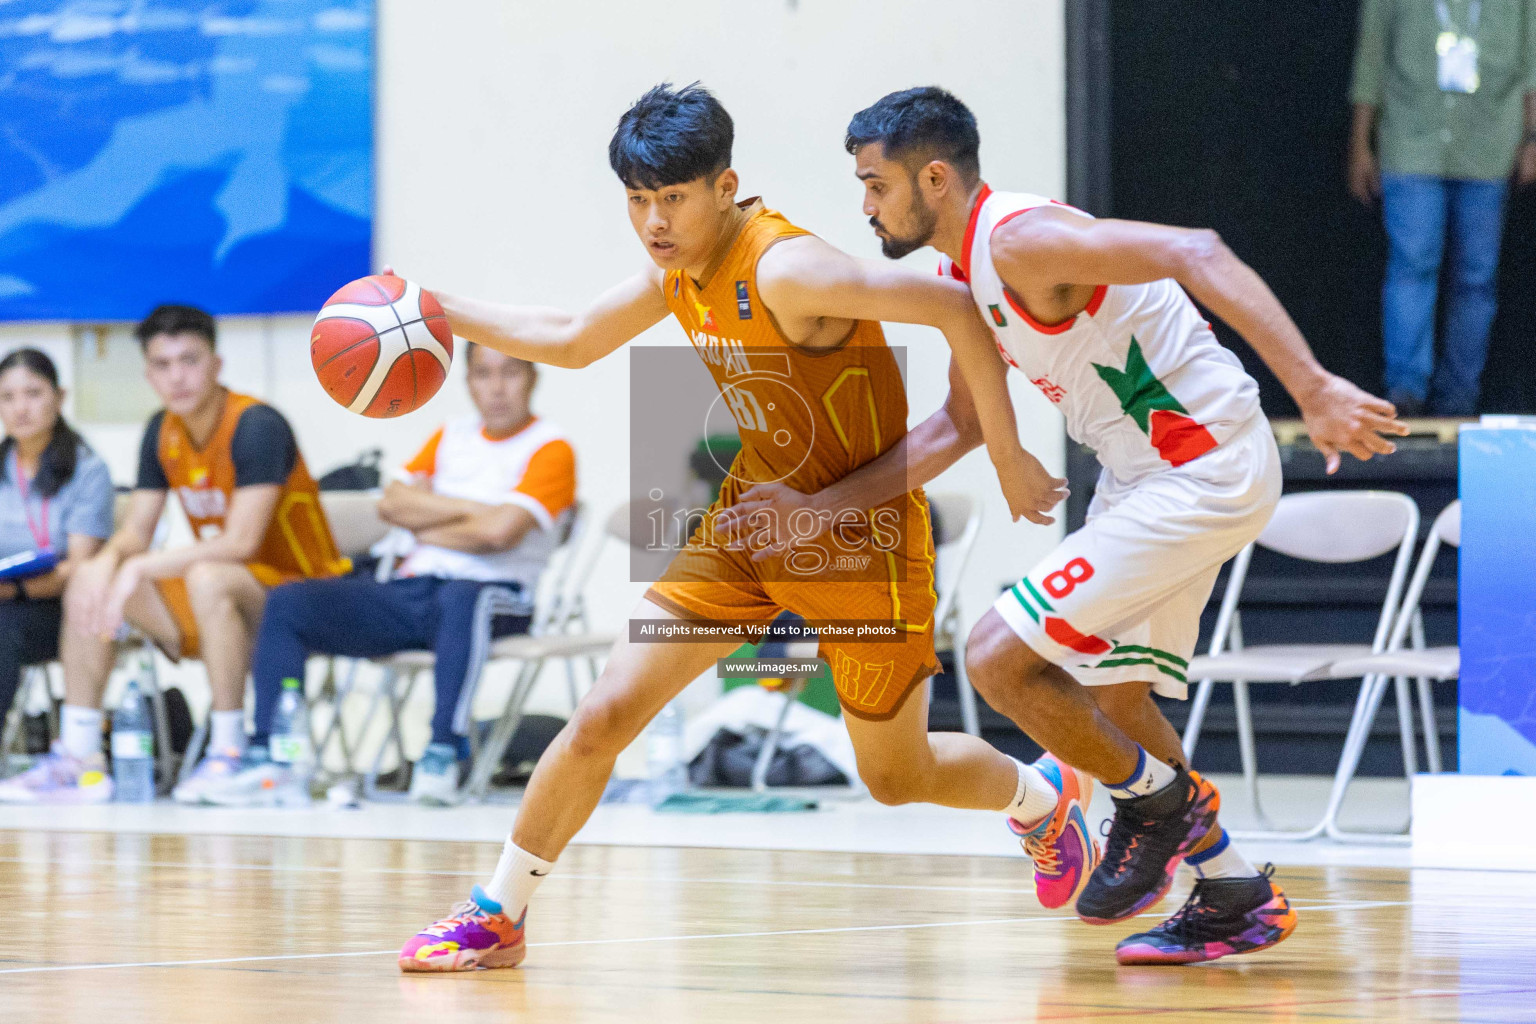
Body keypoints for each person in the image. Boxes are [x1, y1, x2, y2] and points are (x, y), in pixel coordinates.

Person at [391, 83, 1181, 974]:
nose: (654, 221)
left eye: (673, 199)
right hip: (752, 520)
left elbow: (955, 308)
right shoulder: (676, 265)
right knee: (606, 711)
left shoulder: (786, 268)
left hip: (861, 538)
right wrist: (431, 306)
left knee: (896, 775)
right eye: (638, 201)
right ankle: (501, 912)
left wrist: (1004, 452)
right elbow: (572, 335)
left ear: (724, 188)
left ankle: (1039, 801)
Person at [839, 87, 1407, 964]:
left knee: (996, 657)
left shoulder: (1021, 240)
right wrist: (825, 507)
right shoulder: (961, 273)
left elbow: (1196, 249)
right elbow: (959, 423)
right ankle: (1234, 894)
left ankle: (1157, 808)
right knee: (1112, 704)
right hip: (1145, 478)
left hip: (1203, 466)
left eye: (876, 184)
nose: (866, 204)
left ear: (936, 178)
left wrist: (1315, 387)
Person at [194, 343, 575, 807]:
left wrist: (429, 526)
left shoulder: (550, 447)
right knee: (290, 602)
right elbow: (393, 504)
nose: (496, 388)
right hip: (415, 589)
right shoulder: (450, 436)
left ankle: (442, 751)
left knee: (463, 596)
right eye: (483, 374)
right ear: (468, 381)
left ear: (532, 378)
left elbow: (500, 533)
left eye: (510, 373)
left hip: (498, 597)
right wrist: (474, 511)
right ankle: (272, 755)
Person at [0, 305, 348, 805]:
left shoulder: (256, 424)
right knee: (91, 579)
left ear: (216, 364)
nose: (177, 377)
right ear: (148, 373)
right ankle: (79, 755)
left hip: (304, 594)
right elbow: (137, 531)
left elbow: (242, 542)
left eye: (189, 360)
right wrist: (103, 564)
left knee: (207, 575)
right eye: (162, 365)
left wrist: (136, 564)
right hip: (227, 595)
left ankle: (228, 750)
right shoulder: (160, 431)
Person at [1348, 0, 1536, 415]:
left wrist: (1532, 137)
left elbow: (1531, 63)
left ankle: (1458, 399)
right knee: (1412, 263)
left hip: (1490, 144)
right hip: (1410, 143)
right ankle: (1405, 392)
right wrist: (1360, 144)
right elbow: (1371, 59)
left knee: (1476, 277)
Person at [0, 350, 114, 764]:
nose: (20, 408)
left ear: (59, 397)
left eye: (33, 393)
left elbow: (80, 567)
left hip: (61, 611)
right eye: (8, 397)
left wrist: (13, 589)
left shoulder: (87, 471)